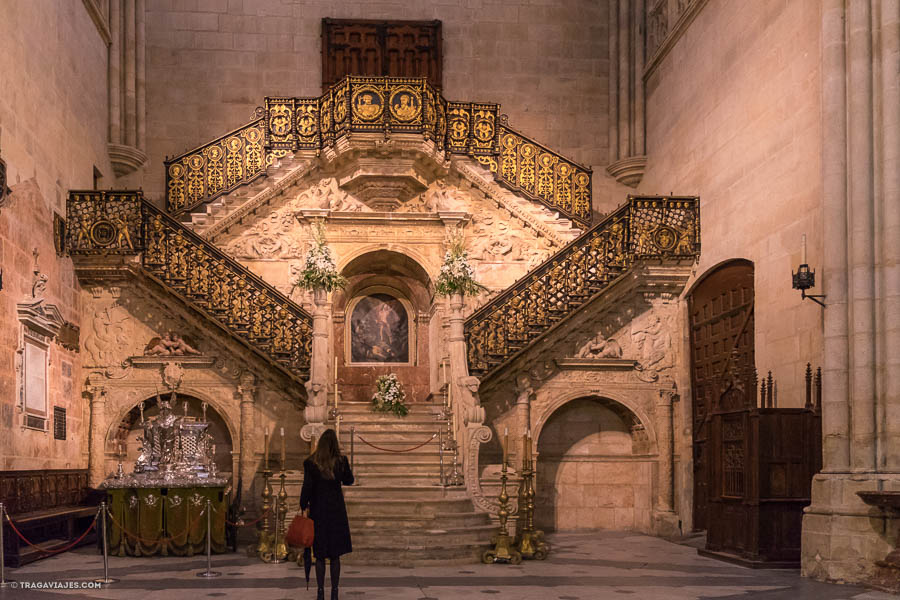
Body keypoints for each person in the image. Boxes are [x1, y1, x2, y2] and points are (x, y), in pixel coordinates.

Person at [300, 428, 354, 600]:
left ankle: (320, 592)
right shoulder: (341, 461)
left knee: (321, 555)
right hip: (336, 512)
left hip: (318, 512)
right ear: (335, 444)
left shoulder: (311, 462)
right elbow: (349, 480)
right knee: (335, 555)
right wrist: (344, 467)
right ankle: (335, 592)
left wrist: (303, 505)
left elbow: (307, 487)